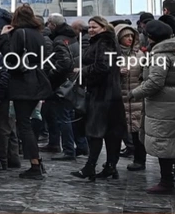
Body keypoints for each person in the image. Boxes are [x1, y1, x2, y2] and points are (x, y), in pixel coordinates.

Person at [129, 19, 175, 195]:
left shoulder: (160, 55)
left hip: (164, 104)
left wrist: (135, 93)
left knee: (164, 143)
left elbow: (155, 82)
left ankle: (166, 182)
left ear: (152, 37)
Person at [0, 5, 53, 178]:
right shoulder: (38, 34)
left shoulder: (18, 33)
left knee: (24, 124)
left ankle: (35, 163)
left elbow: (10, 59)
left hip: (23, 83)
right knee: (27, 121)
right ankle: (36, 162)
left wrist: (4, 38)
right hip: (36, 81)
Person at [72, 16, 126, 181]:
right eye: (89, 27)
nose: (91, 30)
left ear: (104, 27)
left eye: (94, 27)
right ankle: (110, 167)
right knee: (111, 133)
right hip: (110, 93)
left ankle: (91, 167)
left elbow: (102, 67)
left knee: (95, 132)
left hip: (102, 94)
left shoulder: (104, 42)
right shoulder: (104, 41)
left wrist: (83, 71)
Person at [42, 14, 78, 161]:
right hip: (72, 81)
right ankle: (78, 146)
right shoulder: (73, 37)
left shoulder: (58, 40)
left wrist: (51, 73)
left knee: (63, 117)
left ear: (53, 25)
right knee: (69, 116)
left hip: (62, 84)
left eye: (48, 23)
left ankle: (69, 150)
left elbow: (64, 62)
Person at [0, 26, 20, 171]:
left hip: (4, 96)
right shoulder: (6, 54)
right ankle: (13, 159)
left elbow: (4, 76)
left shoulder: (2, 56)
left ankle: (3, 160)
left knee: (1, 129)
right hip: (11, 95)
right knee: (10, 128)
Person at [117, 24, 146, 172]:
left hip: (136, 97)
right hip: (120, 96)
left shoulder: (139, 55)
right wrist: (117, 72)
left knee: (137, 131)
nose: (129, 39)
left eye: (131, 36)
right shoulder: (114, 55)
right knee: (119, 130)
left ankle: (140, 159)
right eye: (125, 36)